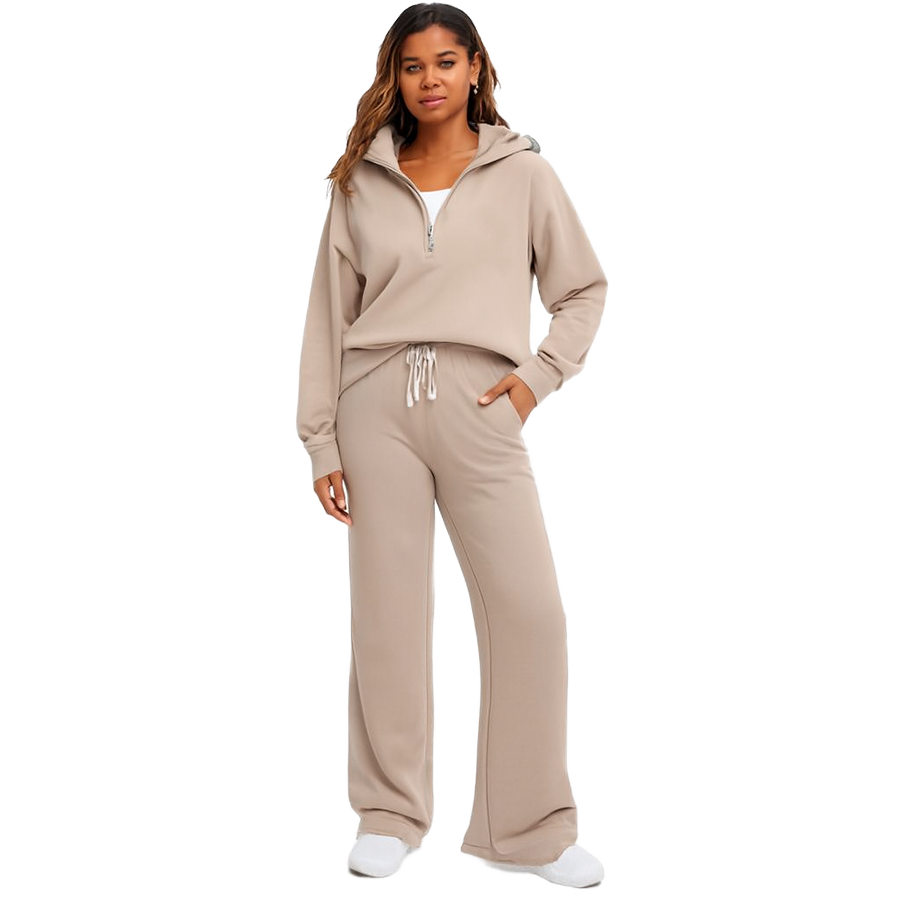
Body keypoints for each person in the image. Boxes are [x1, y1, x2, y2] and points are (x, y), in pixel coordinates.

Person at [296, 3, 609, 888]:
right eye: (411, 65)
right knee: (388, 617)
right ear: (393, 78)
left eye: (445, 61)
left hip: (482, 404)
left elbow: (582, 289)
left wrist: (537, 379)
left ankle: (531, 830)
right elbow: (328, 317)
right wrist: (322, 441)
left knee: (531, 614)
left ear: (476, 69)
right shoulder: (359, 181)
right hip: (375, 405)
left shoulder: (524, 173)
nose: (428, 79)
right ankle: (389, 814)